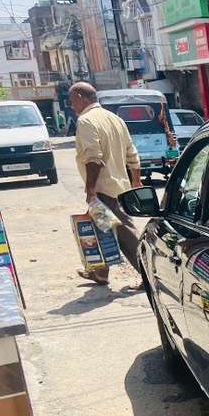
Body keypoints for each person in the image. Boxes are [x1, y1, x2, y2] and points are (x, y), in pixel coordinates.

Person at [69, 82, 142, 285]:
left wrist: (90, 190)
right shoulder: (115, 119)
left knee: (124, 234)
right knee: (101, 230)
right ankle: (100, 272)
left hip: (104, 189)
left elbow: (94, 159)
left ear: (80, 96)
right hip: (120, 187)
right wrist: (136, 181)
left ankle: (149, 275)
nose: (71, 105)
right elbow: (132, 154)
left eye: (72, 100)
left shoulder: (86, 121)